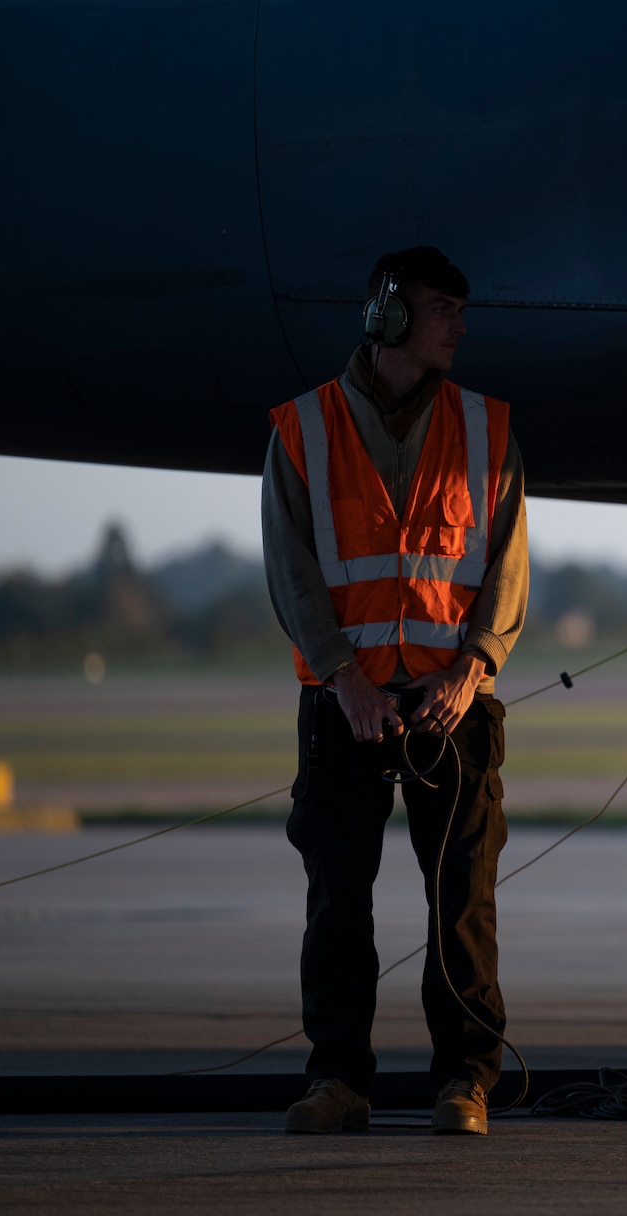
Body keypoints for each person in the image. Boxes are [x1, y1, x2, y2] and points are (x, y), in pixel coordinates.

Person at [260, 246, 528, 1135]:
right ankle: (339, 1080)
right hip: (347, 707)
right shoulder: (302, 427)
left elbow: (505, 566)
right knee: (339, 898)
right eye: (442, 308)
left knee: (463, 900)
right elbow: (292, 568)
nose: (459, 324)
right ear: (387, 316)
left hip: (453, 705)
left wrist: (472, 665)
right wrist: (345, 675)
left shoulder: (488, 426)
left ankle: (465, 1082)